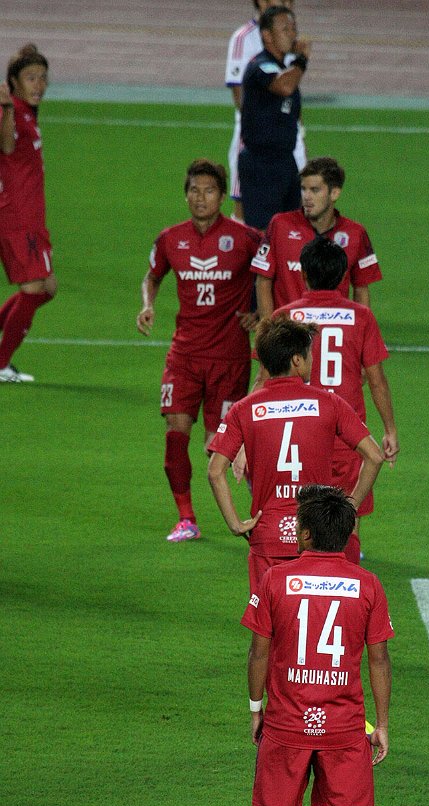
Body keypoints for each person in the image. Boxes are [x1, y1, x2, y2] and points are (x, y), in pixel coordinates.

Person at [227, 483, 393, 806]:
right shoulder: (367, 584)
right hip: (344, 727)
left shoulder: (275, 580)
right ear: (348, 534)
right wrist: (381, 724)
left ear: (302, 533)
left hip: (286, 724)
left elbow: (259, 651)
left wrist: (255, 708)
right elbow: (378, 659)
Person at [207, 316, 384, 591]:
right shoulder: (330, 403)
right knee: (313, 615)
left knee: (267, 617)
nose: (312, 361)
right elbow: (375, 456)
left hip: (268, 537)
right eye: (310, 354)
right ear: (297, 361)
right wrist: (350, 506)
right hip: (317, 535)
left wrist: (235, 523)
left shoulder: (243, 409)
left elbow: (215, 471)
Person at [136, 159, 261, 542]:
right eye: (194, 190)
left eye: (209, 191)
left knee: (219, 447)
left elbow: (271, 275)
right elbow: (152, 276)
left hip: (229, 358)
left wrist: (259, 311)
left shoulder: (246, 238)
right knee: (175, 432)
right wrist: (147, 305)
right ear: (186, 195)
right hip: (185, 356)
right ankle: (186, 519)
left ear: (222, 197)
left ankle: (264, 513)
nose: (200, 198)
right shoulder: (170, 239)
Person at [257, 235, 399, 563]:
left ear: (303, 274)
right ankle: (344, 580)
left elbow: (264, 379)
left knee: (299, 520)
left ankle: (299, 584)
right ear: (343, 276)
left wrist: (242, 444)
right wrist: (390, 429)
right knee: (348, 524)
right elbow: (376, 380)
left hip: (299, 437)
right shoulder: (361, 316)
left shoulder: (285, 316)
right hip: (348, 438)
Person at [252, 156, 382, 319]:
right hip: (290, 331)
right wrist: (269, 329)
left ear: (334, 193)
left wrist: (361, 327)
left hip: (332, 328)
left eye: (314, 190)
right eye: (303, 189)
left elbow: (361, 288)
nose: (306, 197)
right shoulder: (280, 225)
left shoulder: (355, 233)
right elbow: (263, 281)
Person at [0, 44, 57, 384]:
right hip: (17, 217)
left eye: (42, 77)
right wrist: (6, 107)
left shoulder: (26, 112)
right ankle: (1, 364)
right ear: (14, 82)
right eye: (31, 77)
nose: (39, 84)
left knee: (47, 287)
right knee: (35, 288)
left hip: (32, 216)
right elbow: (6, 146)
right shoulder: (10, 110)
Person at [224, 0, 306, 224]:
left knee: (293, 223)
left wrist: (298, 134)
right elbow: (281, 87)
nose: (292, 34)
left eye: (293, 28)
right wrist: (256, 124)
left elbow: (292, 101)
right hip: (260, 154)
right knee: (254, 223)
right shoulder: (255, 55)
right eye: (286, 29)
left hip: (285, 153)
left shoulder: (286, 57)